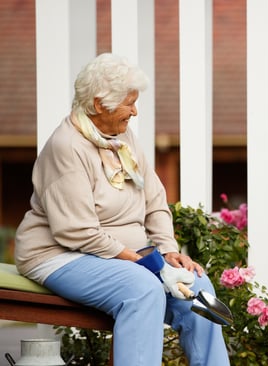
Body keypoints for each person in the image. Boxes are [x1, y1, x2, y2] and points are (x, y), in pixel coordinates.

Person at [15, 53, 230, 366]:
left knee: (197, 284)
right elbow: (76, 231)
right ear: (101, 104)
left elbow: (155, 200)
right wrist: (142, 261)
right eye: (129, 103)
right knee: (142, 289)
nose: (135, 111)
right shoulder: (67, 146)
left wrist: (167, 251)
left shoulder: (123, 137)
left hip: (124, 255)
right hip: (60, 255)